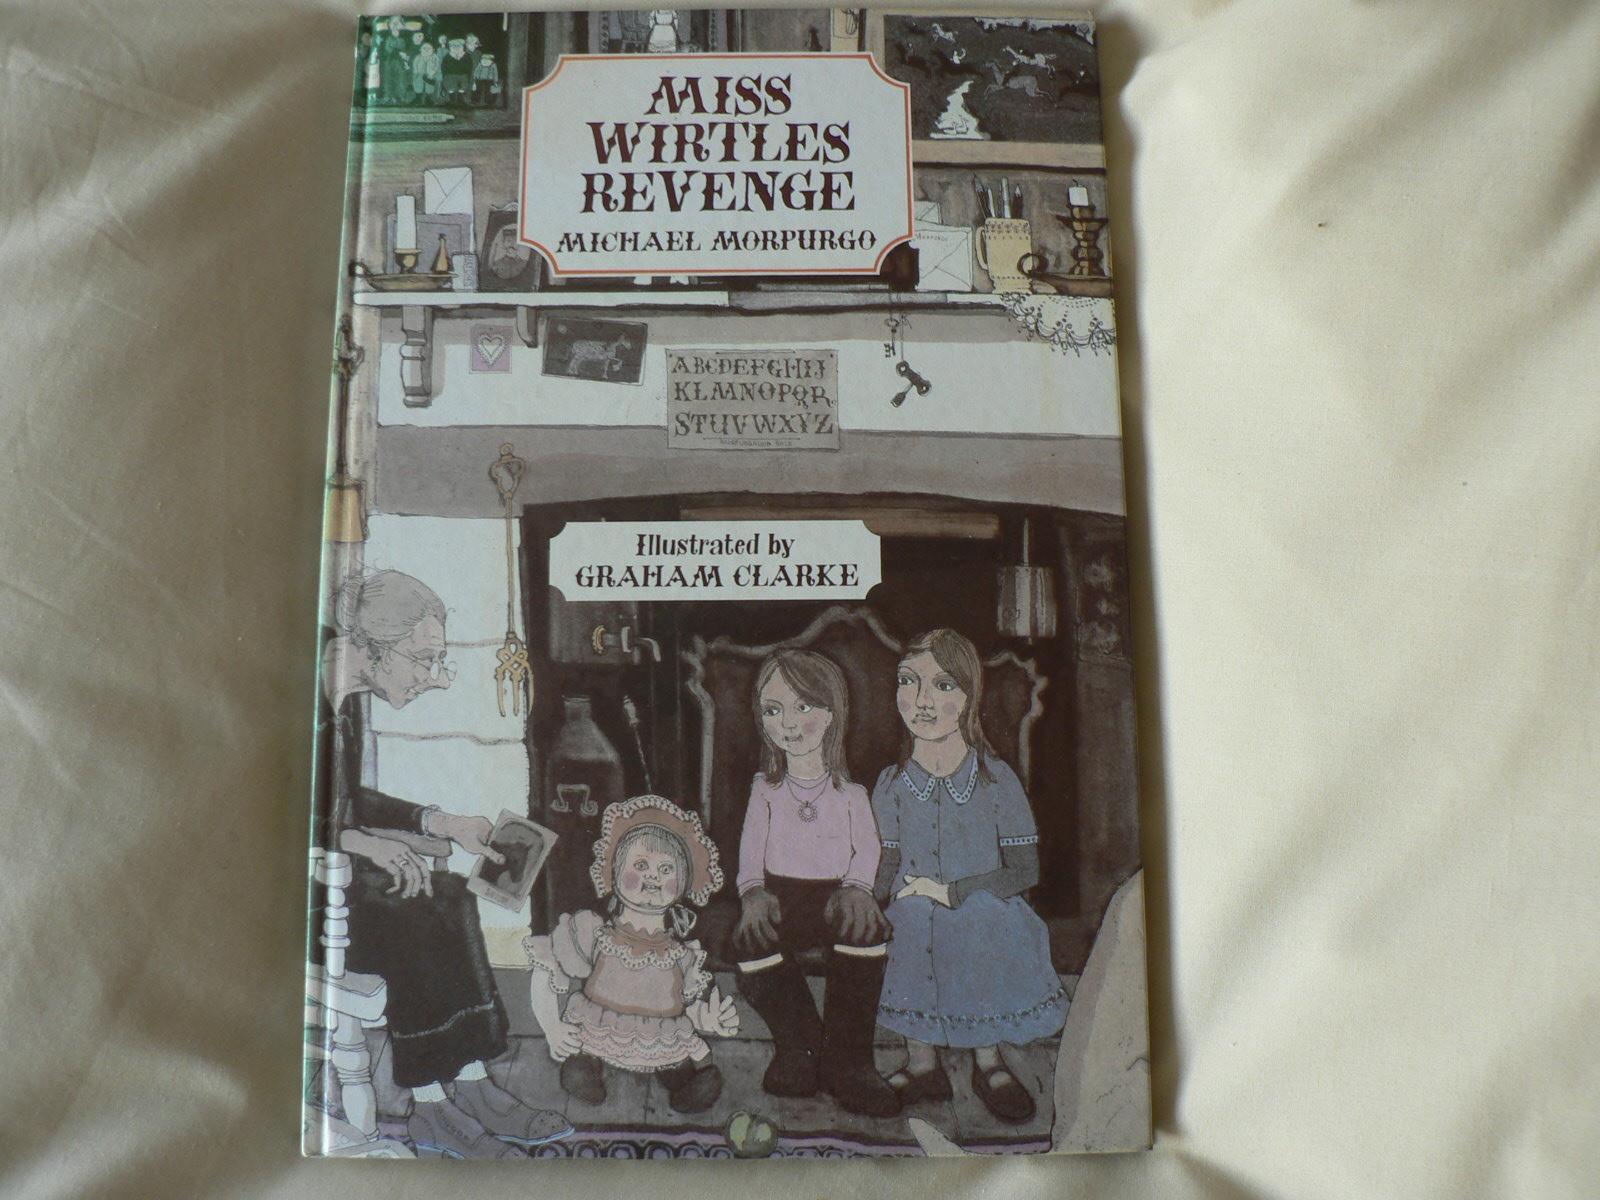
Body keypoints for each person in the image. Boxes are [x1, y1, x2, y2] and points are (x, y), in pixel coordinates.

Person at [311, 570, 570, 1158]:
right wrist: (362, 844)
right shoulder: (303, 695)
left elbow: (347, 800)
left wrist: (442, 822)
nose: (432, 677)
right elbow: (283, 813)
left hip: (336, 875)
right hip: (298, 899)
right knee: (411, 911)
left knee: (450, 895)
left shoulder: (344, 698)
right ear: (373, 647)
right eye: (423, 660)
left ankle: (475, 1086)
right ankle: (430, 1107)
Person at [871, 629, 1067, 1124]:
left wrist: (953, 891)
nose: (921, 700)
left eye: (942, 685)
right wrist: (867, 904)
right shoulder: (891, 783)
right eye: (908, 681)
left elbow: (1024, 869)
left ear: (968, 696)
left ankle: (989, 1061)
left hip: (981, 902)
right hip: (911, 906)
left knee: (978, 920)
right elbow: (886, 860)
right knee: (907, 918)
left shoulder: (995, 779)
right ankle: (921, 1064)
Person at [731, 650, 900, 1117]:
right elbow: (750, 851)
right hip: (779, 895)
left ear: (831, 713)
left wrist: (858, 888)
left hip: (838, 895)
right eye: (773, 709)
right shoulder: (764, 789)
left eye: (802, 706)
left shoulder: (852, 794)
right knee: (752, 942)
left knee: (864, 932)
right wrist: (752, 892)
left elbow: (867, 851)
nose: (787, 722)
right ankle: (799, 1047)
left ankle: (850, 1063)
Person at [525, 797, 738, 1114]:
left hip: (663, 1039)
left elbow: (690, 1004)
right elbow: (546, 966)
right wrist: (552, 1028)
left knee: (687, 1068)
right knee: (579, 1067)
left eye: (666, 869)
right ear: (613, 872)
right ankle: (586, 1072)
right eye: (640, 866)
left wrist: (709, 1018)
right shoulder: (595, 934)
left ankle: (683, 1083)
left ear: (683, 883)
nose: (653, 877)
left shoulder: (681, 955)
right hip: (597, 1034)